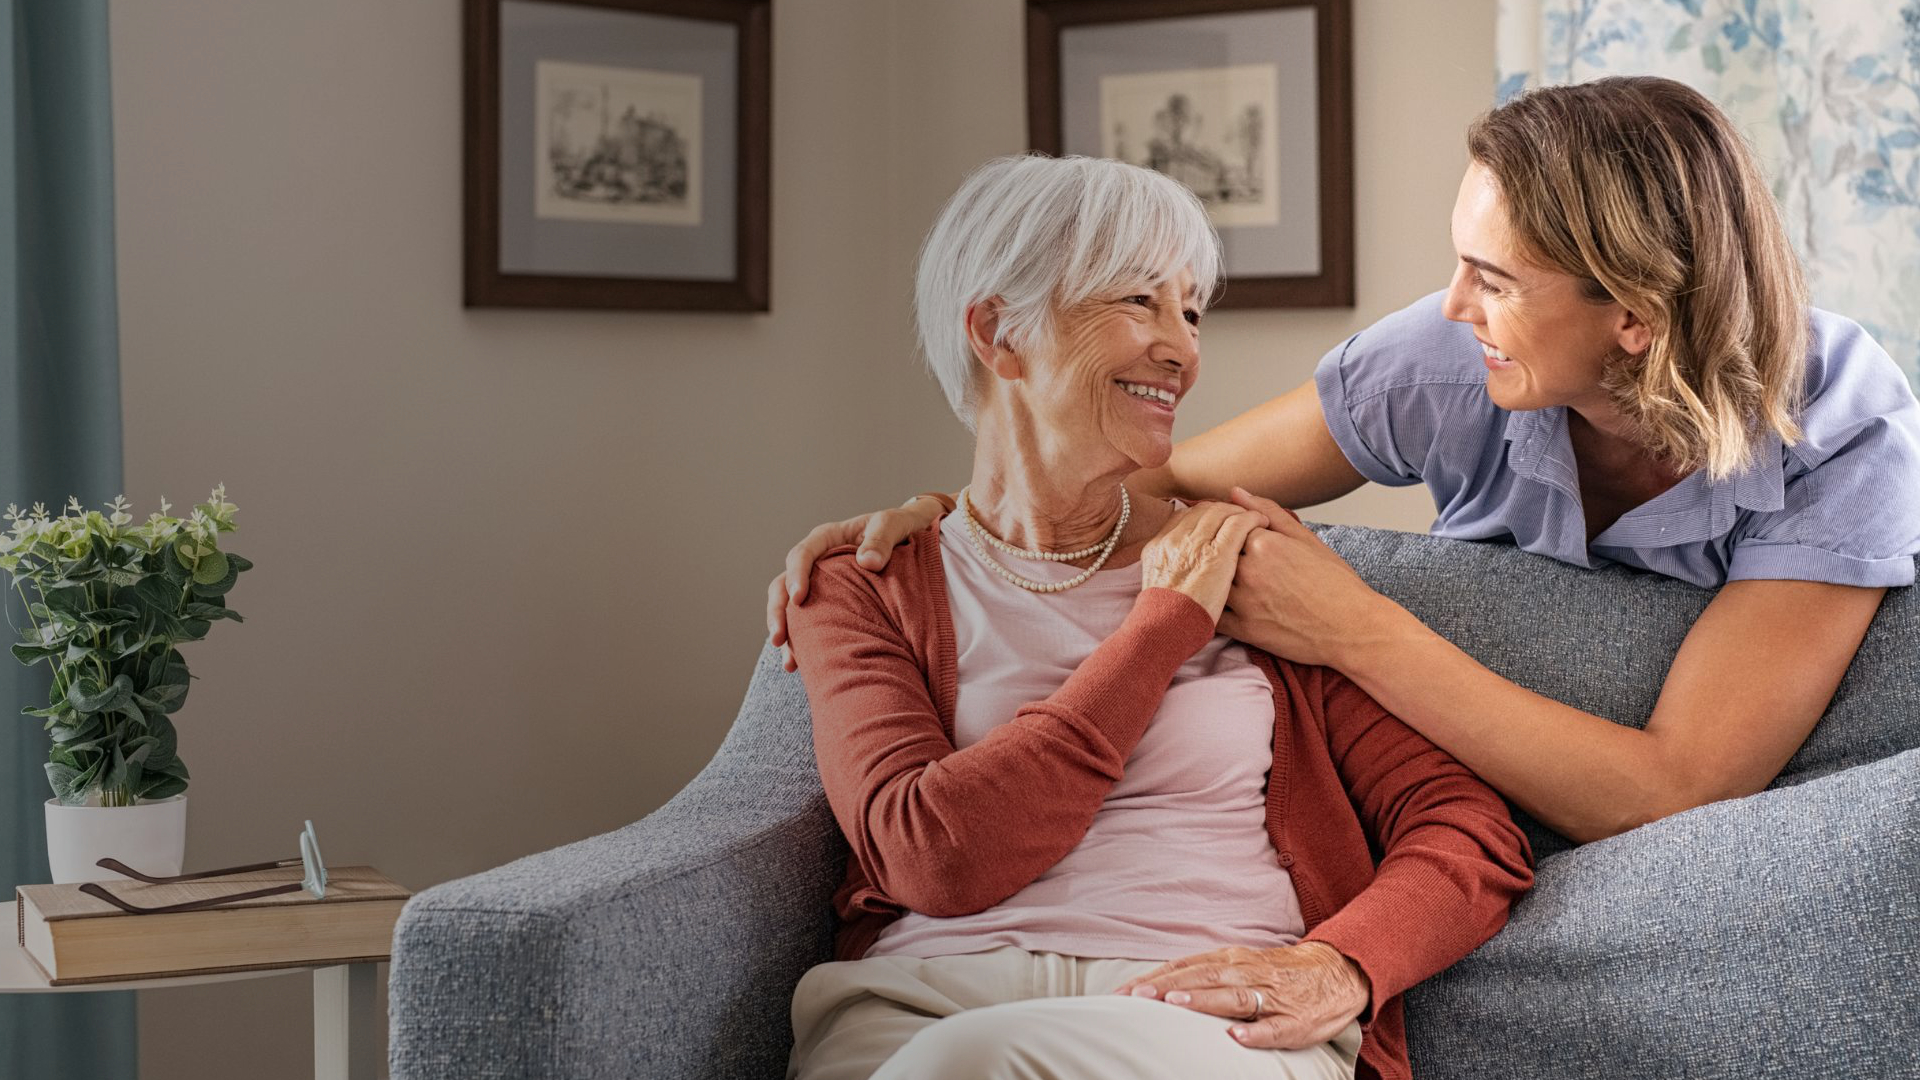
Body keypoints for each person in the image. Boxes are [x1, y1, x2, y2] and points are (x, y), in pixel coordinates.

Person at [772, 76, 1920, 845]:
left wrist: (1353, 627)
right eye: (1458, 262)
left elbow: (1681, 789)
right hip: (1469, 794)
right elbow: (1158, 493)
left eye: (1498, 280)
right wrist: (955, 516)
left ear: (1634, 313)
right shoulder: (1441, 357)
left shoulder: (1844, 426)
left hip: (1706, 819)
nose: (1453, 303)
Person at [784, 153, 1531, 1080]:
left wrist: (1342, 965)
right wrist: (1161, 628)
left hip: (1198, 1013)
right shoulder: (860, 583)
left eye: (1190, 311)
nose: (1181, 348)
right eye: (1137, 302)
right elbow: (935, 860)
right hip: (917, 1004)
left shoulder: (1251, 569)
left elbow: (1464, 826)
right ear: (998, 333)